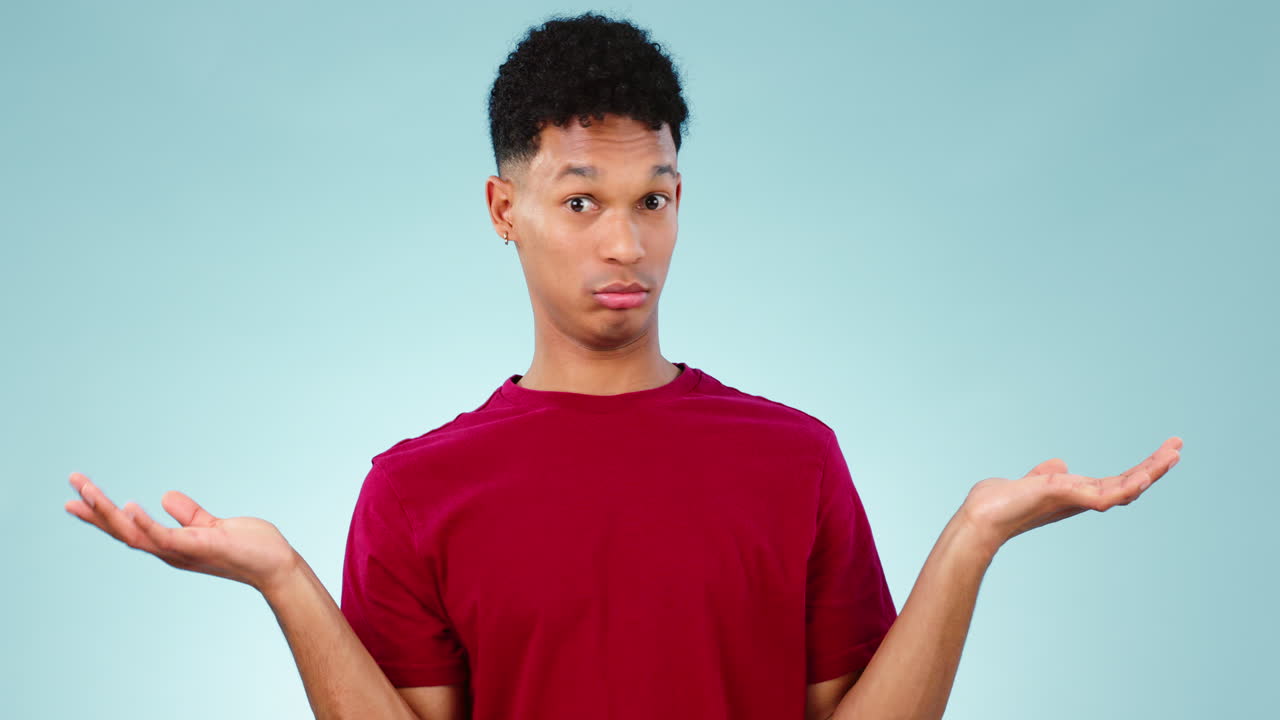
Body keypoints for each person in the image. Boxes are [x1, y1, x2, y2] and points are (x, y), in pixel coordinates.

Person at [64, 11, 1183, 720]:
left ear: (680, 201)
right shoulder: (414, 491)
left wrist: (970, 539)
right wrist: (285, 583)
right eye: (581, 201)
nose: (622, 242)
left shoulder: (793, 458)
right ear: (505, 209)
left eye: (651, 199)